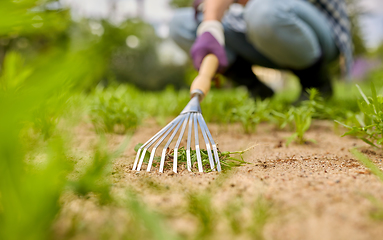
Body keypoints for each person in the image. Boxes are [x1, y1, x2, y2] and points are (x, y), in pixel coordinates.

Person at [169, 0, 353, 102]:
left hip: (313, 34)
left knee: (263, 10)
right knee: (182, 23)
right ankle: (256, 89)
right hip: (258, 35)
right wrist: (210, 26)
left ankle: (316, 85)